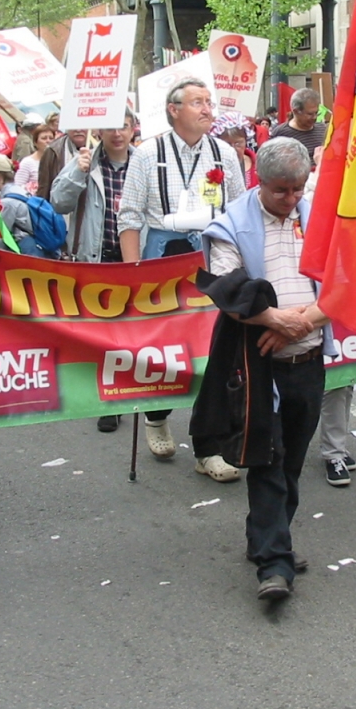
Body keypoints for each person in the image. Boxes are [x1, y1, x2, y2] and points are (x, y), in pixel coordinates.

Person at [197, 138, 333, 601]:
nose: (292, 200)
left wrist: (301, 324)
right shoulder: (231, 224)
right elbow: (227, 289)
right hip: (258, 367)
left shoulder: (320, 217)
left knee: (292, 458)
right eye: (281, 191)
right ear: (260, 182)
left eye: (298, 189)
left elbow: (345, 283)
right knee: (268, 458)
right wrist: (274, 320)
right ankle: (274, 564)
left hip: (308, 359)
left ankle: (269, 538)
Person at [117, 77, 244, 472]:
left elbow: (240, 215)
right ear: (174, 110)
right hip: (163, 257)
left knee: (213, 349)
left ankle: (209, 447)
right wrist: (133, 274)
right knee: (166, 345)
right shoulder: (147, 153)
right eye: (197, 103)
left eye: (209, 102)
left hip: (211, 257)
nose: (208, 109)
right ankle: (157, 415)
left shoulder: (224, 153)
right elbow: (130, 216)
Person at [50, 112, 137, 432]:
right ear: (99, 130)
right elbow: (58, 202)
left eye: (124, 127)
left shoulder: (144, 163)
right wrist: (77, 171)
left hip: (133, 258)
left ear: (133, 130)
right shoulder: (85, 161)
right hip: (95, 258)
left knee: (131, 331)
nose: (117, 133)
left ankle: (130, 387)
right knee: (104, 333)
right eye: (111, 127)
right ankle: (109, 400)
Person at [269, 87, 327, 159]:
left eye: (316, 113)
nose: (314, 117)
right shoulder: (280, 134)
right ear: (296, 112)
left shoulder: (324, 129)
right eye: (310, 114)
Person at [35, 127, 88, 201]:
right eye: (74, 125)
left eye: (83, 125)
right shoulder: (52, 151)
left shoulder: (99, 150)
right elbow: (44, 188)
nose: (78, 130)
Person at [15, 124, 56, 195]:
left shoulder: (57, 160)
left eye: (51, 138)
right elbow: (18, 186)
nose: (48, 141)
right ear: (35, 142)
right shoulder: (27, 162)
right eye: (44, 138)